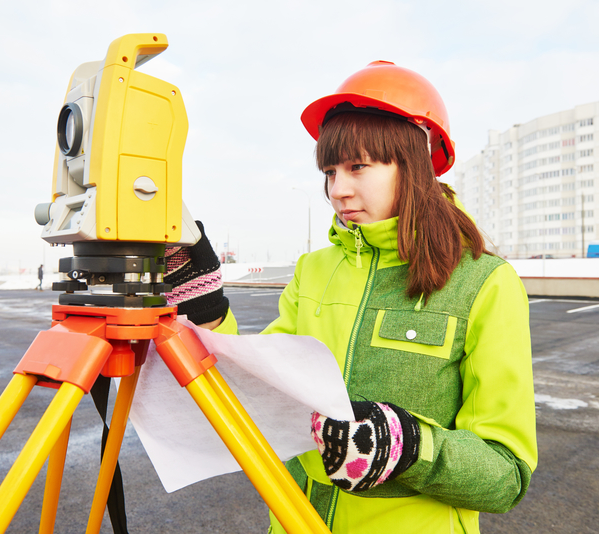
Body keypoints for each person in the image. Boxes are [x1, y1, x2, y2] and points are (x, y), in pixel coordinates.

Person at [167, 61, 537, 534]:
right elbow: (259, 387)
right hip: (295, 522)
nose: (338, 190)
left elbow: (506, 475)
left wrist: (407, 447)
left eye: (358, 167)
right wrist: (206, 308)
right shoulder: (314, 269)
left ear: (415, 164)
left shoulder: (485, 282)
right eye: (330, 171)